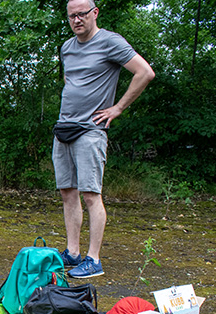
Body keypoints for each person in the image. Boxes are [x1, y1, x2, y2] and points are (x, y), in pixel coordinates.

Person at [53, 0, 155, 278]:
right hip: (64, 128)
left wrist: (118, 108)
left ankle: (93, 259)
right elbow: (70, 81)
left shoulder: (110, 42)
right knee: (67, 193)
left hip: (91, 130)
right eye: (71, 16)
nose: (76, 20)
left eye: (82, 14)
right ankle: (72, 253)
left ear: (94, 13)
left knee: (90, 195)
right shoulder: (66, 47)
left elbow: (145, 72)